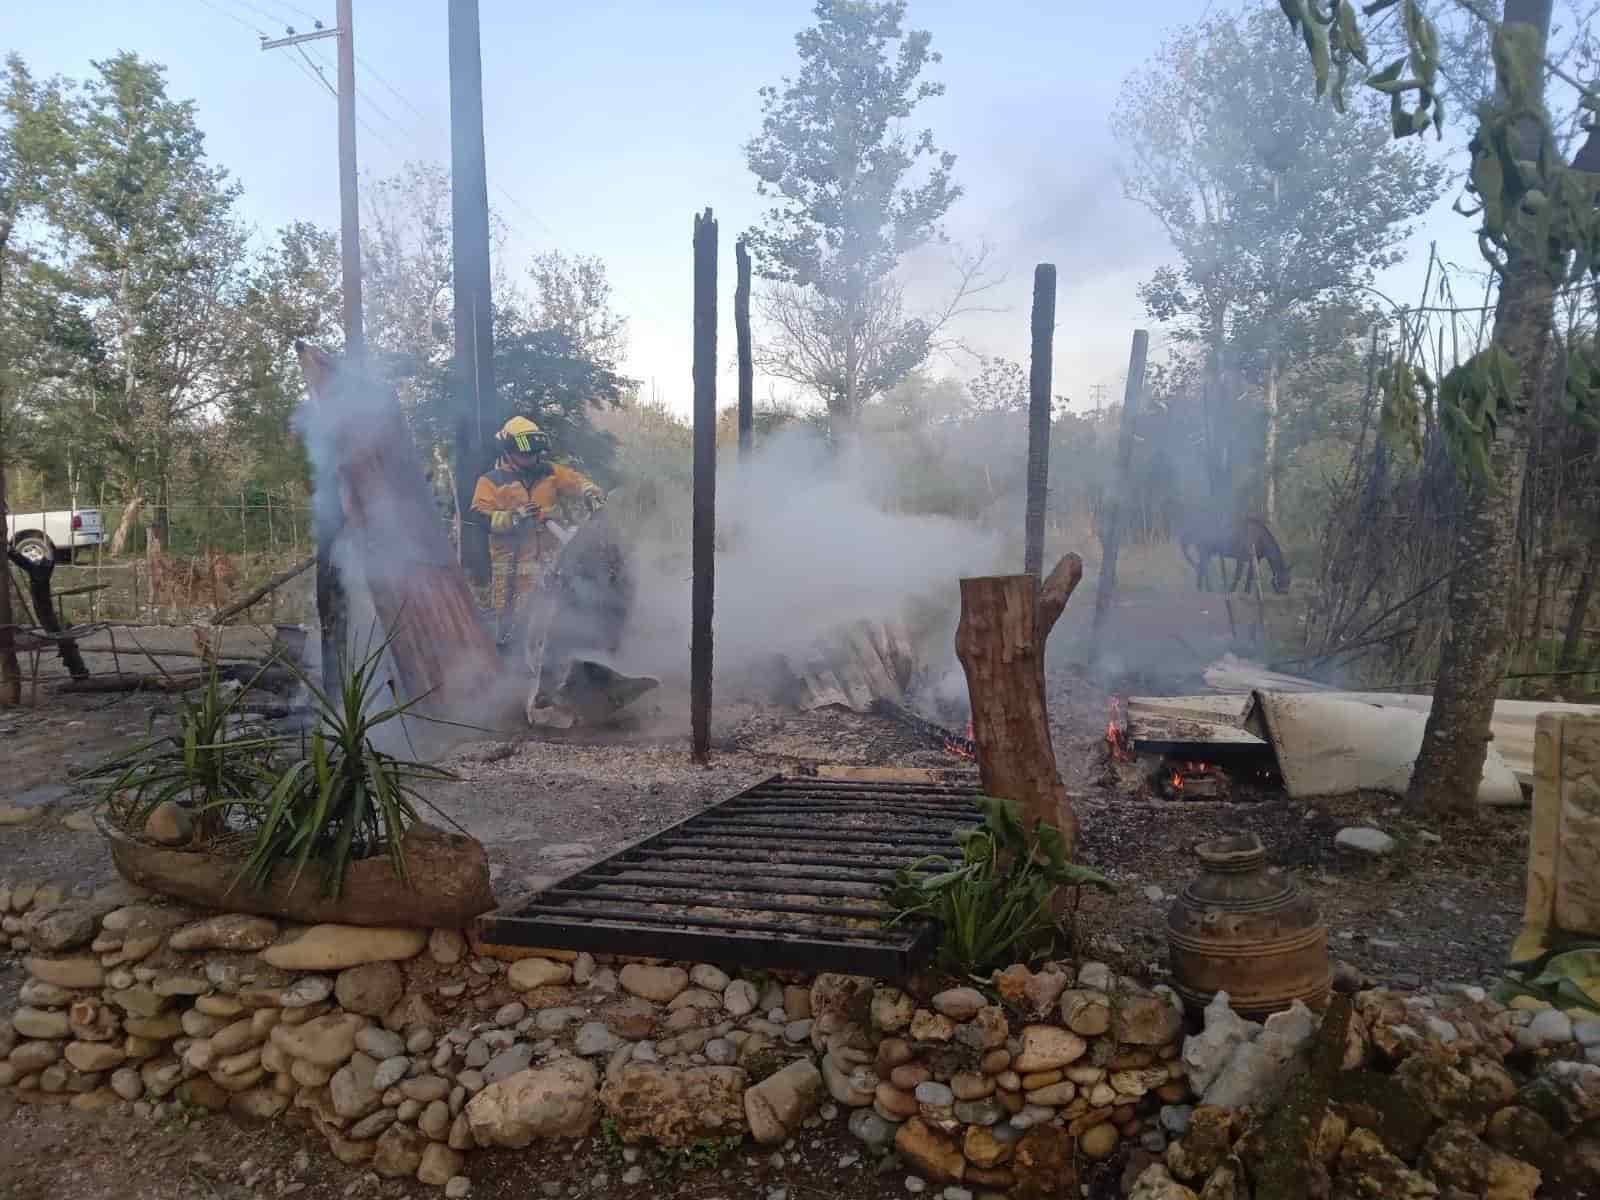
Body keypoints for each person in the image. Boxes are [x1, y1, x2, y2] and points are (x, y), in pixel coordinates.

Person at [467, 416, 604, 650]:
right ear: (508, 451)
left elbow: (576, 481)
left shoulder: (549, 472)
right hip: (511, 569)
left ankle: (547, 658)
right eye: (525, 454)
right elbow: (480, 516)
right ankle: (507, 658)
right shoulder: (491, 481)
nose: (531, 458)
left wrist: (591, 493)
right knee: (509, 622)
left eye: (535, 453)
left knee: (551, 616)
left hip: (549, 562)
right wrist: (514, 517)